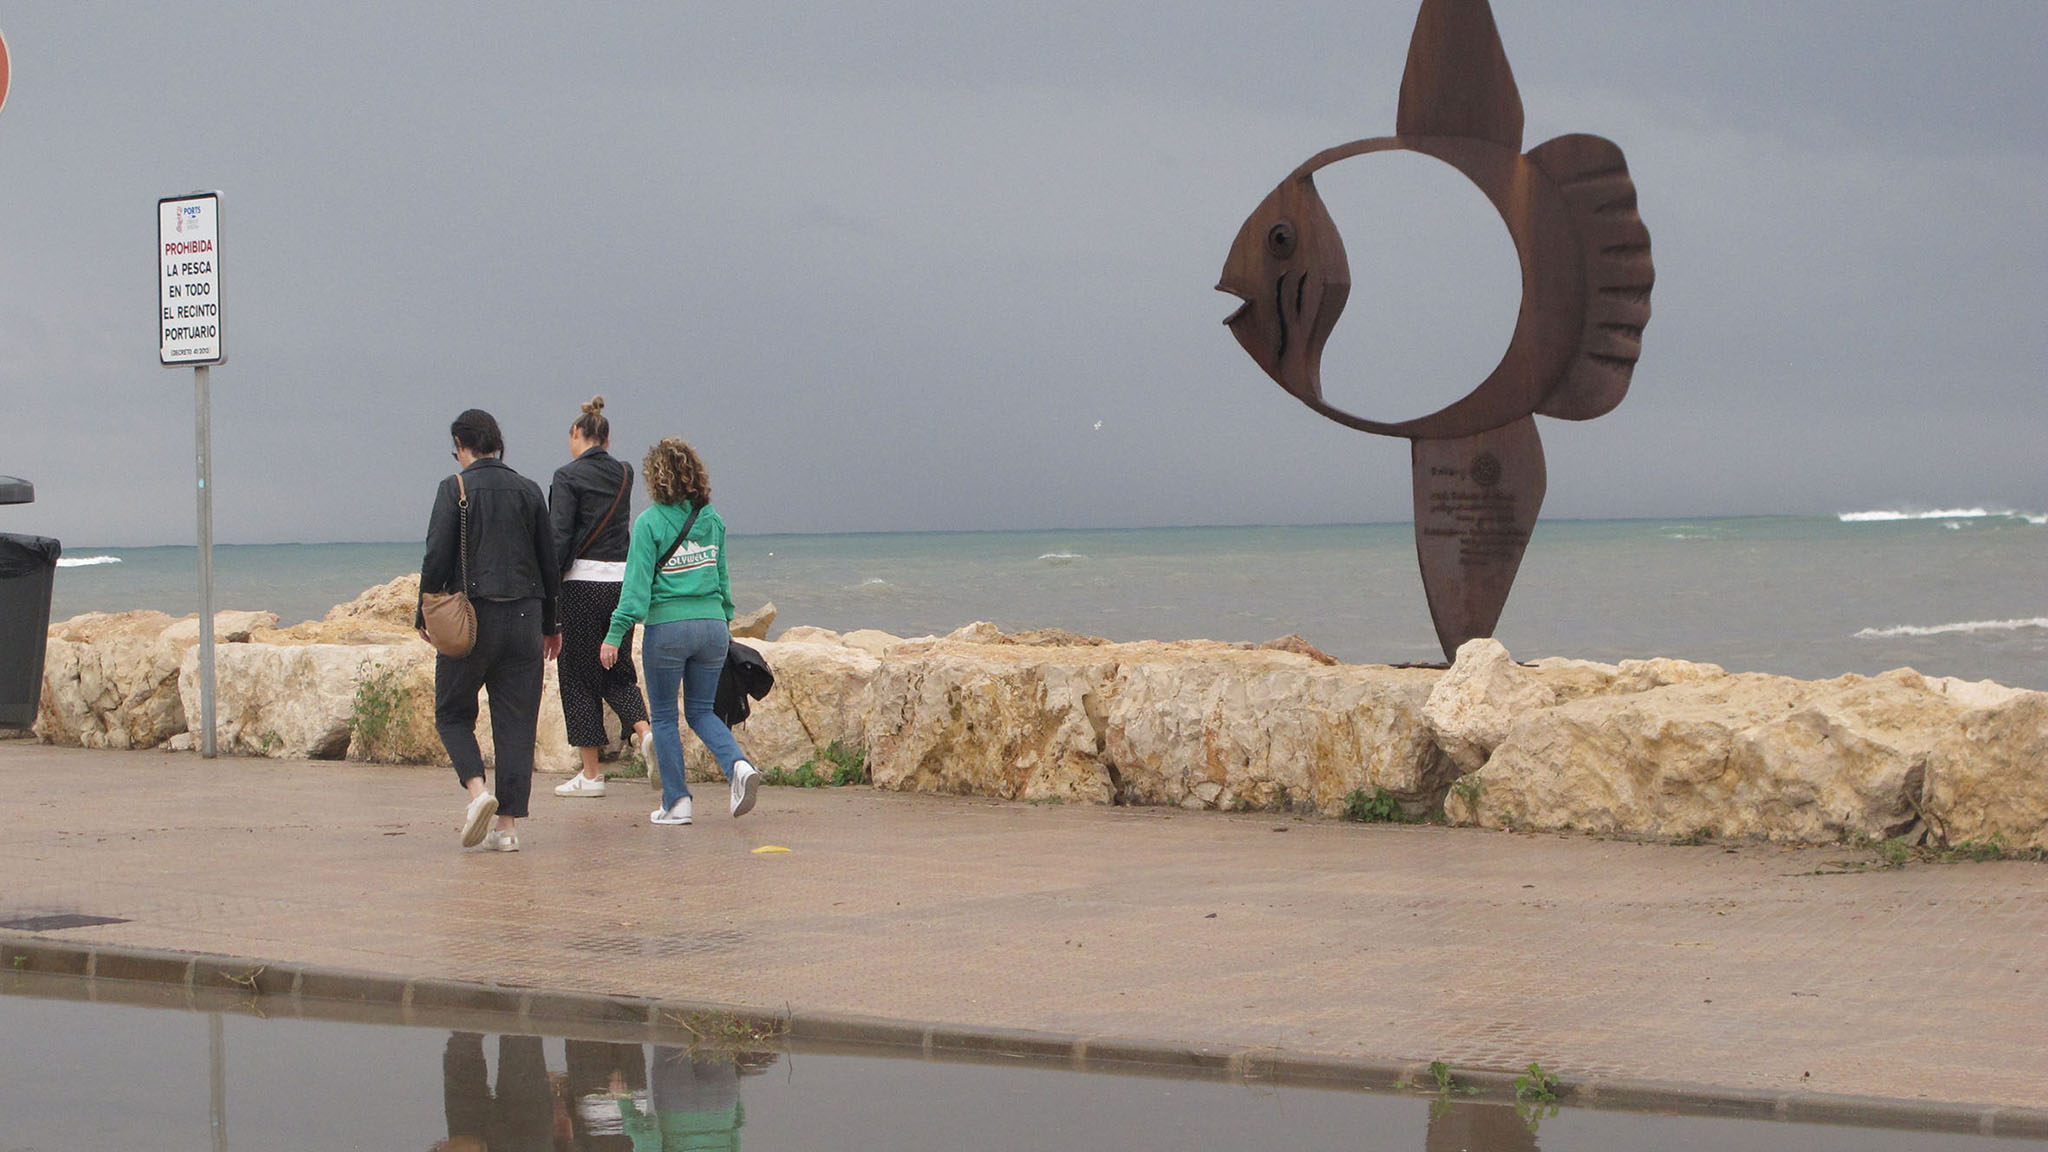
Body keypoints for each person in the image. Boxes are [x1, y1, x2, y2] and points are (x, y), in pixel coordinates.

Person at [416, 409, 563, 852]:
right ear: (496, 442)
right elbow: (548, 561)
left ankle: (478, 792)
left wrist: (424, 614)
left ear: (463, 444)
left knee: (452, 712)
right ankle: (507, 828)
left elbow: (436, 556)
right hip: (524, 620)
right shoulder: (529, 489)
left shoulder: (454, 487)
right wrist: (552, 624)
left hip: (471, 620)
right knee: (517, 724)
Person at [600, 437, 759, 826]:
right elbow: (722, 580)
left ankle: (677, 803)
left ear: (656, 479)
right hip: (711, 628)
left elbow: (636, 591)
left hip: (668, 629)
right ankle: (738, 765)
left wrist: (614, 634)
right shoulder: (712, 520)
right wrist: (724, 622)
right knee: (703, 711)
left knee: (667, 717)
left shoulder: (650, 523)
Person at [547, 395, 654, 798]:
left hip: (580, 584)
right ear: (607, 439)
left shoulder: (566, 476)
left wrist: (548, 587)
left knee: (575, 676)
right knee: (616, 668)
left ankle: (591, 775)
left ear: (578, 433)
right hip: (619, 583)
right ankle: (644, 733)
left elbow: (559, 537)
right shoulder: (624, 473)